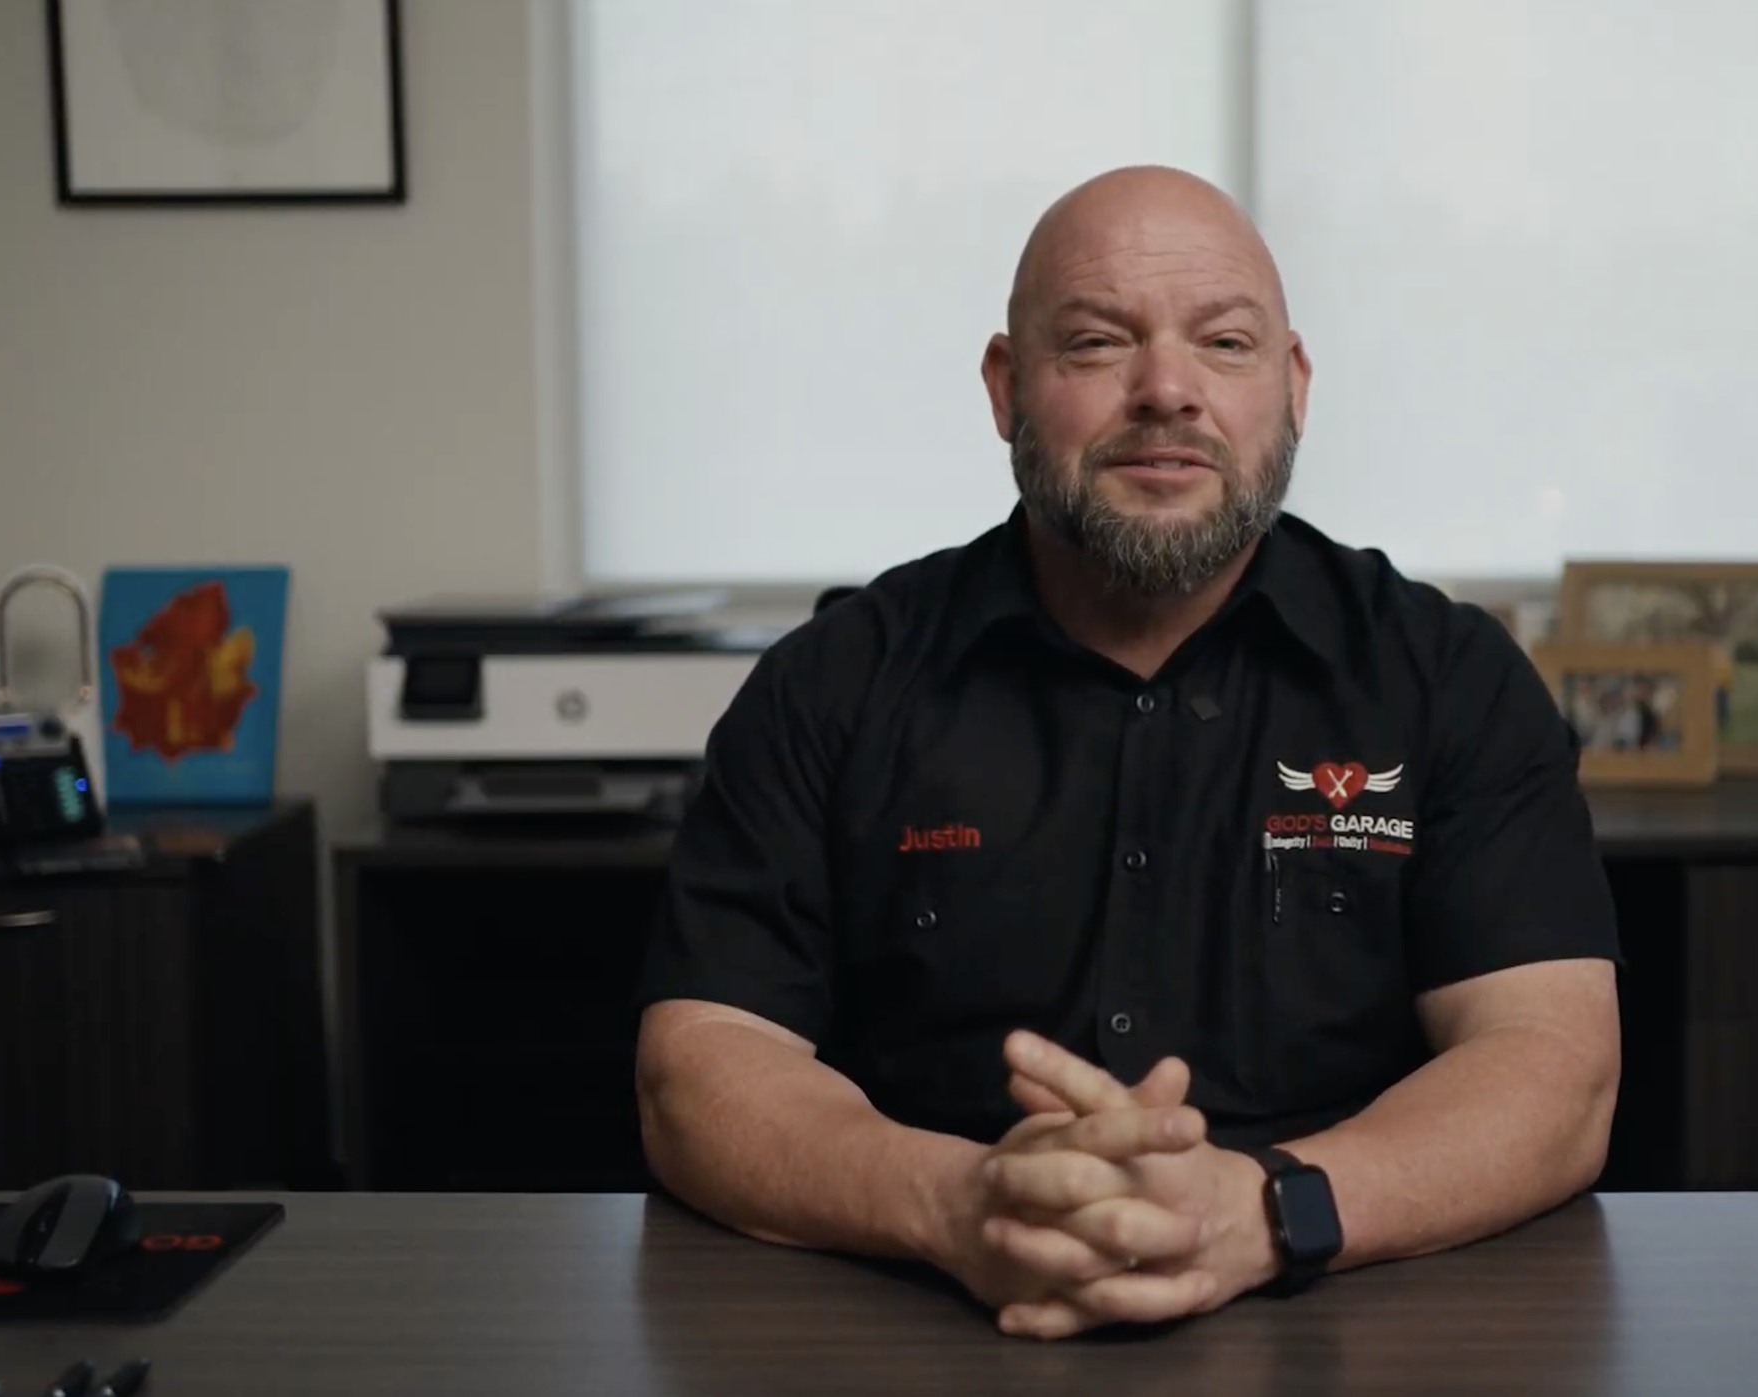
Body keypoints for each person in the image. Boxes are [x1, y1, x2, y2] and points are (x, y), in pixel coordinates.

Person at [633, 165, 1622, 1340]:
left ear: (1292, 386)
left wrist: (1268, 1208)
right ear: (1007, 387)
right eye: (1099, 343)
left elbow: (1553, 1064)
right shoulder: (833, 682)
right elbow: (699, 1067)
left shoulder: (1446, 678)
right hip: (921, 1320)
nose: (1167, 390)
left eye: (1226, 343)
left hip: (1352, 1316)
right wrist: (958, 1204)